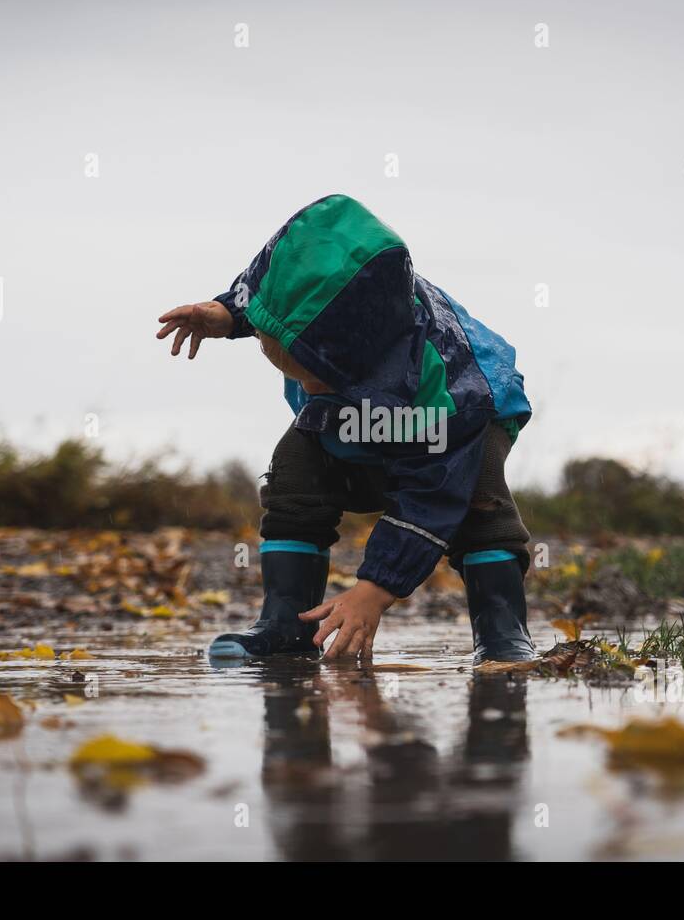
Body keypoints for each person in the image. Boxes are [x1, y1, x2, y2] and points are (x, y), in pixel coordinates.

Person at [156, 194, 535, 664]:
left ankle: (502, 633)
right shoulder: (317, 320)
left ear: (356, 354)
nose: (307, 388)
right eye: (282, 358)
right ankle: (285, 623)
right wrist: (230, 315)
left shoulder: (441, 391)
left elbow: (431, 494)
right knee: (296, 466)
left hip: (465, 417)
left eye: (314, 372)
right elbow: (275, 293)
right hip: (362, 408)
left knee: (479, 502)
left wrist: (373, 591)